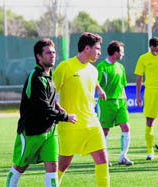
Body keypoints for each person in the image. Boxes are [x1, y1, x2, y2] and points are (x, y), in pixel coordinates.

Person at [6, 38, 77, 187]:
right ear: (39, 56)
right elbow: (42, 107)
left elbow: (48, 99)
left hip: (50, 131)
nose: (52, 55)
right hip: (32, 132)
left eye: (54, 52)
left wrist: (57, 106)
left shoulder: (49, 75)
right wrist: (66, 116)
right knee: (20, 167)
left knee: (52, 166)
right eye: (48, 53)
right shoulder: (36, 77)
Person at [53, 32, 110, 186]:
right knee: (64, 164)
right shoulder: (65, 67)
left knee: (102, 159)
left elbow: (90, 86)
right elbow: (49, 94)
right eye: (97, 49)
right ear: (87, 48)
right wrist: (62, 113)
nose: (99, 52)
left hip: (92, 123)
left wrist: (100, 89)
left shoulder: (94, 70)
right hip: (70, 125)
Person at [97, 41, 134, 166]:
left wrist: (125, 99)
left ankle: (123, 156)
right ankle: (104, 158)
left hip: (121, 102)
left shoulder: (121, 67)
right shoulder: (102, 66)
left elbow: (122, 86)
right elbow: (94, 84)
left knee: (126, 127)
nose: (123, 54)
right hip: (106, 103)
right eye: (122, 51)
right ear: (116, 52)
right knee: (105, 131)